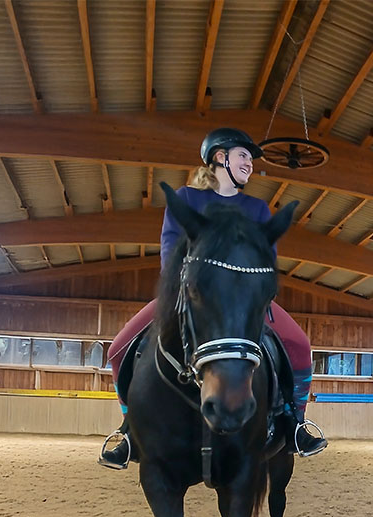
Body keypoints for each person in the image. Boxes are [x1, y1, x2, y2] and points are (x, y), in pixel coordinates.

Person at [99, 127, 327, 468]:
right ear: (220, 157)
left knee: (299, 345)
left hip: (245, 298)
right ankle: (130, 428)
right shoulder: (188, 199)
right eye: (243, 156)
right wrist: (178, 286)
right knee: (119, 347)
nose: (250, 164)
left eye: (249, 159)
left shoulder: (258, 208)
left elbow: (266, 254)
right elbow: (170, 244)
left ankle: (295, 422)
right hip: (191, 294)